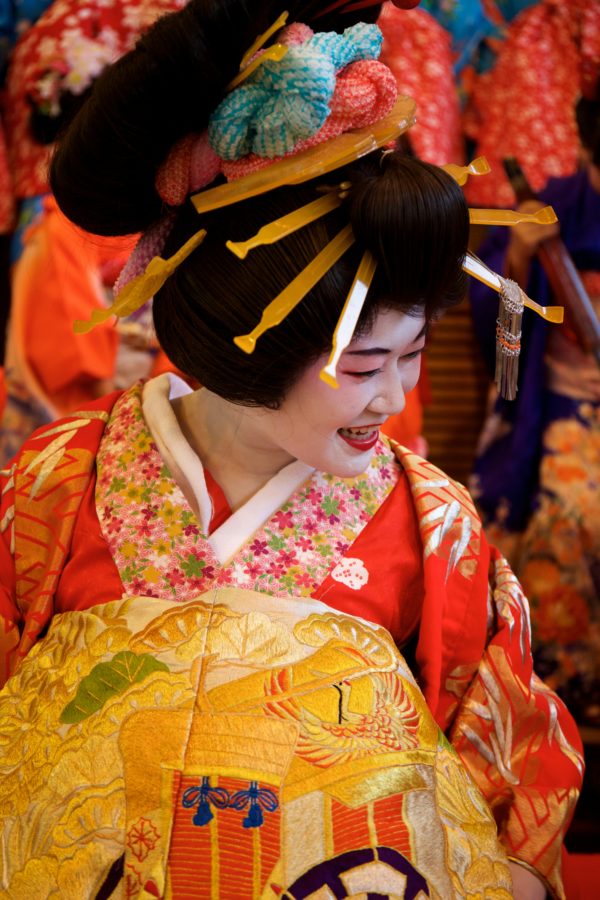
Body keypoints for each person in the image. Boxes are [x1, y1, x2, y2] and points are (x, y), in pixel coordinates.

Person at [0, 2, 582, 897]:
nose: (395, 398)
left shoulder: (437, 533)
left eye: (415, 353)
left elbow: (505, 773)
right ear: (248, 338)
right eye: (364, 363)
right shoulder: (51, 486)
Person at [470, 93, 600, 728]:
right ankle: (566, 693)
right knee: (569, 516)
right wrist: (520, 257)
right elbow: (500, 343)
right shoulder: (560, 203)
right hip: (566, 404)